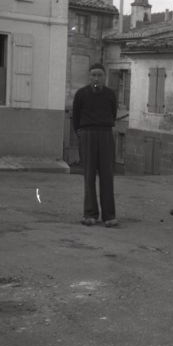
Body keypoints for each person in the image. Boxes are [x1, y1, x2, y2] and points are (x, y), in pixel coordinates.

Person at [72, 62, 118, 227]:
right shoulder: (81, 94)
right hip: (87, 134)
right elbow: (75, 116)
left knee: (107, 176)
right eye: (93, 75)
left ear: (104, 77)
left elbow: (113, 113)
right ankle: (90, 214)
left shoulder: (110, 94)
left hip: (105, 134)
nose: (96, 78)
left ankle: (109, 216)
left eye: (99, 75)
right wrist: (81, 133)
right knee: (89, 175)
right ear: (89, 77)